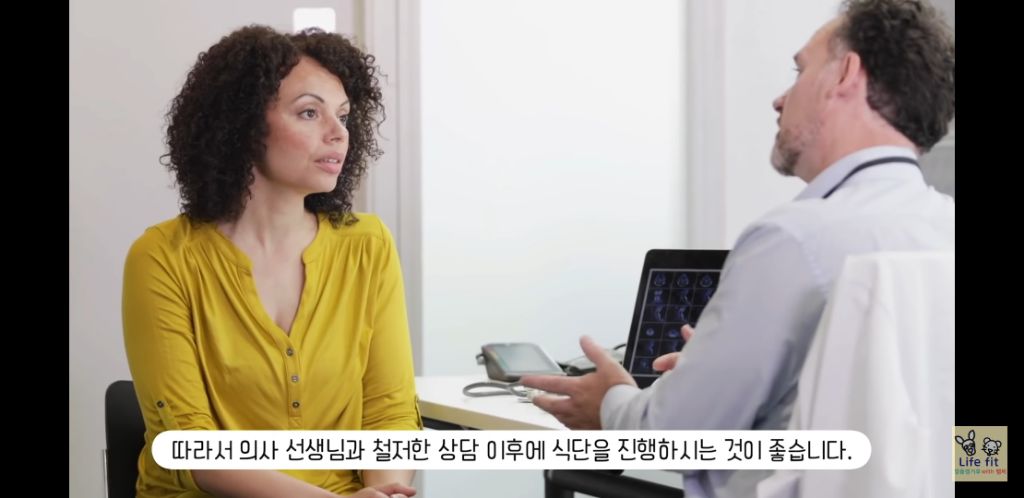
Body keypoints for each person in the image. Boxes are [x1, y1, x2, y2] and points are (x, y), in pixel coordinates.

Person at [521, 0, 955, 496]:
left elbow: (672, 437)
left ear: (845, 75)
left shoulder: (792, 240)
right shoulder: (946, 228)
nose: (779, 99)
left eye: (799, 71)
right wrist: (712, 375)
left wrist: (610, 400)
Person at [122, 25, 420, 498]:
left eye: (343, 116)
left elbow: (390, 412)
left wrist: (385, 492)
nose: (338, 133)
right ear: (242, 125)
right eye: (309, 113)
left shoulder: (368, 245)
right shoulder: (163, 256)